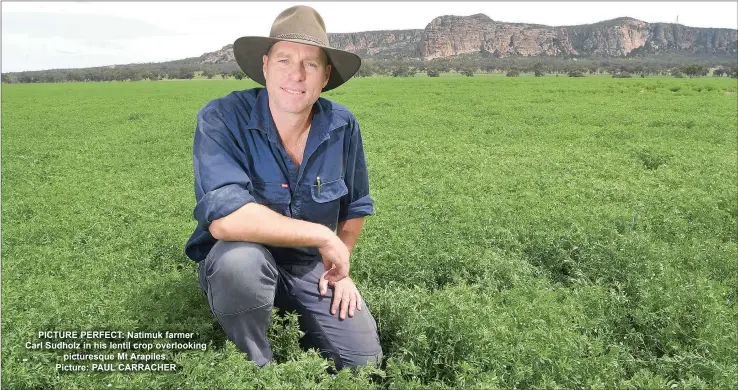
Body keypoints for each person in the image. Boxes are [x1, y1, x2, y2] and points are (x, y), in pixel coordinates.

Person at [184, 5, 382, 371]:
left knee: (362, 364)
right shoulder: (223, 118)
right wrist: (322, 237)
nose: (296, 74)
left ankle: (288, 305)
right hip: (243, 254)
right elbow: (226, 220)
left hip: (308, 265)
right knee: (239, 266)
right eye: (284, 60)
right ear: (265, 66)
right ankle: (256, 366)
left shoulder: (341, 125)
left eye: (310, 64)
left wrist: (342, 270)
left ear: (325, 76)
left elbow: (356, 204)